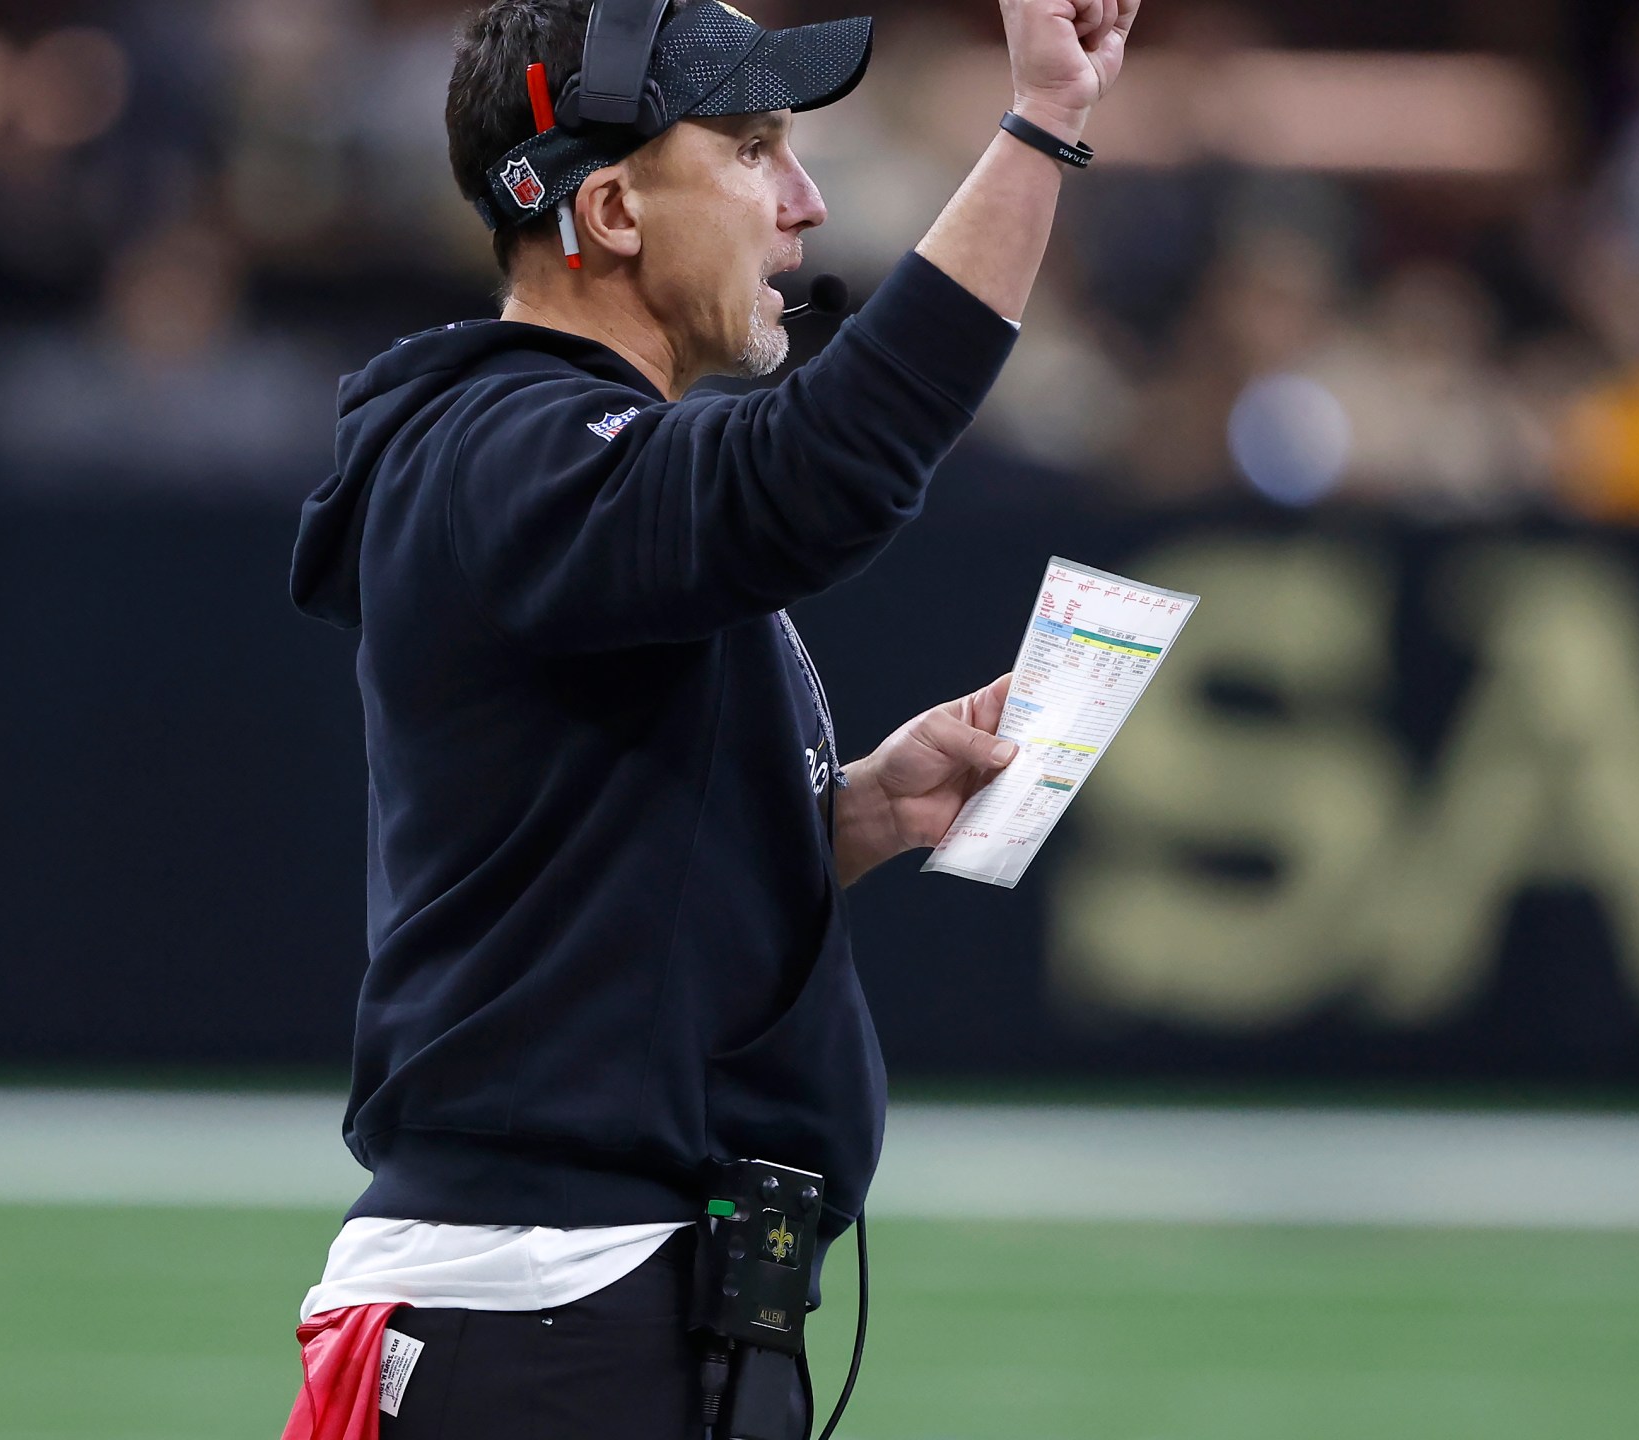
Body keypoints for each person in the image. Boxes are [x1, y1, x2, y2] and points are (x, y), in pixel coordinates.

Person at [280, 0, 1142, 1434]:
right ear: (610, 209)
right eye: (750, 152)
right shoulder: (502, 449)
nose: (804, 205)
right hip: (549, 1315)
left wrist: (842, 820)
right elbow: (823, 468)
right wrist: (1042, 127)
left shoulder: (542, 464)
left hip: (601, 1307)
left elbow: (591, 861)